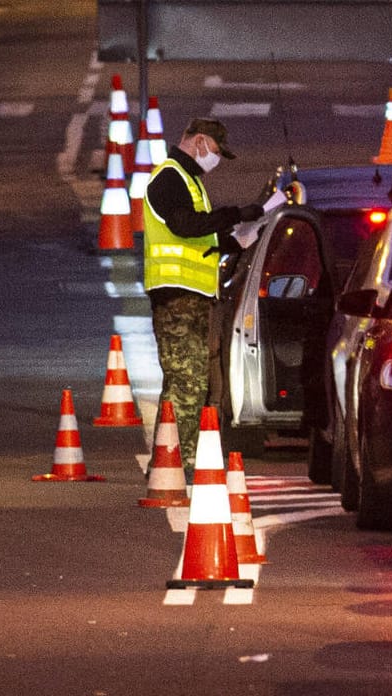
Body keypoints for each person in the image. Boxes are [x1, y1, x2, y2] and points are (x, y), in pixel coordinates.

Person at [142, 118, 268, 469]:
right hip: (175, 298)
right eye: (214, 151)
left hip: (193, 298)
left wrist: (237, 239)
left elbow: (200, 238)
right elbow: (184, 226)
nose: (213, 159)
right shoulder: (169, 178)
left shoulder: (191, 181)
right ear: (198, 141)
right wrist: (233, 215)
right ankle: (176, 463)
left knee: (190, 383)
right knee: (186, 382)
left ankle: (173, 460)